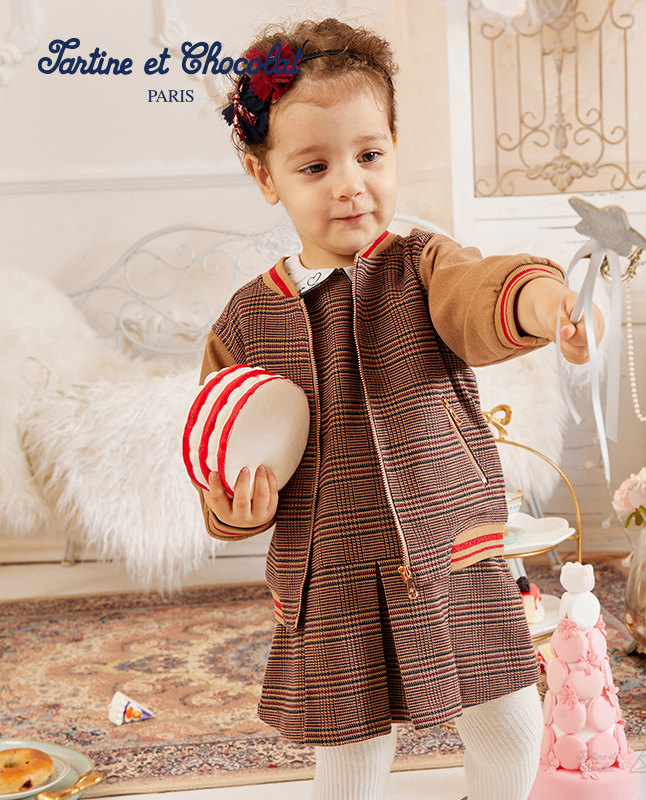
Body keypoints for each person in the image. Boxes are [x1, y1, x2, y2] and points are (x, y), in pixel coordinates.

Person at [196, 17, 604, 800]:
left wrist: (548, 304)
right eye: (315, 166)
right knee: (352, 758)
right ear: (264, 176)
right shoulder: (245, 322)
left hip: (454, 555)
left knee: (511, 726)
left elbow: (483, 294)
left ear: (393, 148)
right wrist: (236, 508)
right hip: (335, 577)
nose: (350, 183)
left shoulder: (423, 266)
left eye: (370, 155)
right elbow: (221, 450)